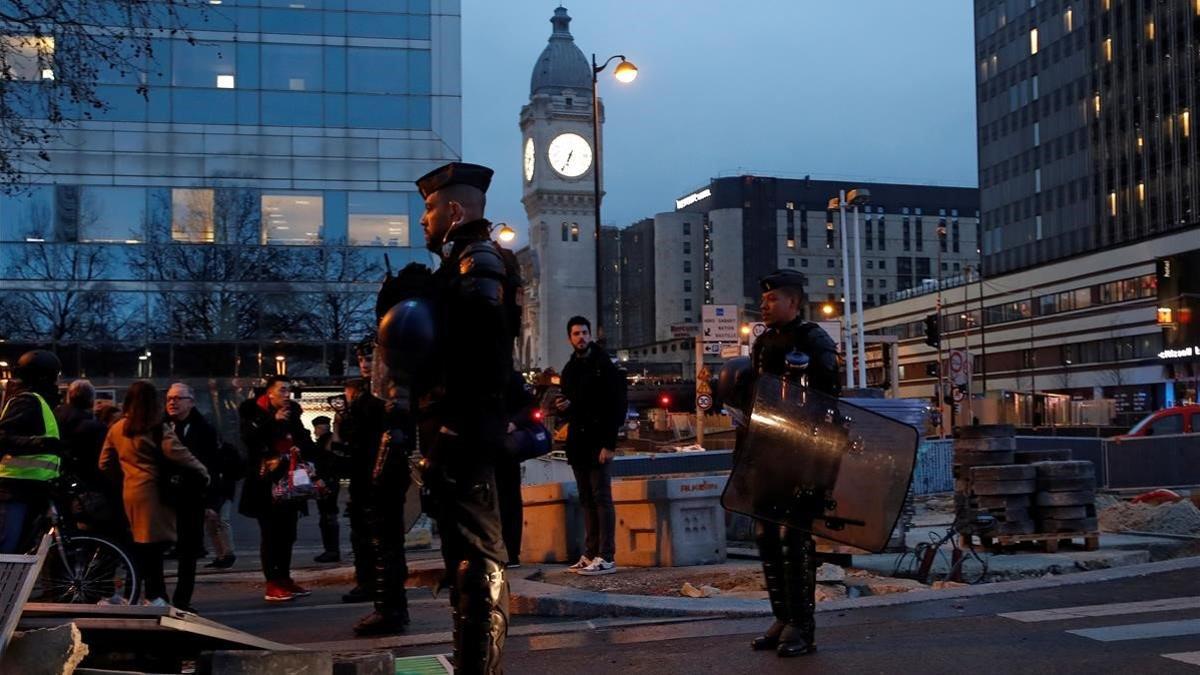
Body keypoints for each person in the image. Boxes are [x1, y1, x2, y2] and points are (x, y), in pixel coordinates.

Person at [377, 161, 517, 673]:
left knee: (477, 559)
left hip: (465, 430)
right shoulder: (457, 265)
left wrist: (455, 430)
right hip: (453, 427)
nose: (423, 220)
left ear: (454, 210)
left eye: (430, 208)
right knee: (463, 557)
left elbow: (484, 358)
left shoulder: (478, 263)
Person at [743, 269, 840, 658]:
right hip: (769, 453)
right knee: (766, 536)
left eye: (771, 299)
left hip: (804, 454)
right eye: (763, 300)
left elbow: (830, 401)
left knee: (794, 538)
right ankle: (782, 617)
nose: (764, 305)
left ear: (793, 302)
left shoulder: (815, 340)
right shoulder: (763, 344)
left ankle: (803, 626)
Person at [99, 381, 209, 606]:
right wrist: (203, 472)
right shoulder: (157, 428)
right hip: (154, 495)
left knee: (137, 548)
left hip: (129, 493)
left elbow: (104, 463)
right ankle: (155, 596)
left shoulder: (118, 428)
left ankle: (135, 595)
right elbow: (180, 454)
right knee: (153, 550)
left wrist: (123, 476)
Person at [556, 315, 627, 576]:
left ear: (590, 335)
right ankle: (590, 552)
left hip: (598, 442)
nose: (581, 337)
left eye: (584, 332)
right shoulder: (569, 368)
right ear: (570, 338)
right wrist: (561, 407)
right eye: (576, 334)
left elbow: (616, 406)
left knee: (602, 498)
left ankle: (606, 556)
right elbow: (572, 403)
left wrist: (609, 444)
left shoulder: (604, 364)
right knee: (586, 499)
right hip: (578, 443)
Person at [237, 376, 314, 602]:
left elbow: (303, 437)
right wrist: (273, 420)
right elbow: (249, 439)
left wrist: (305, 451)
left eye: (289, 390)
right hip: (265, 482)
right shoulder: (252, 412)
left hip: (290, 482)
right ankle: (272, 582)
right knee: (270, 533)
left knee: (288, 533)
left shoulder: (293, 414)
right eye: (282, 390)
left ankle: (285, 578)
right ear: (269, 393)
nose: (286, 394)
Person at [352, 382, 413, 637]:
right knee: (384, 546)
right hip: (377, 476)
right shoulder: (374, 398)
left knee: (385, 546)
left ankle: (389, 609)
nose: (366, 364)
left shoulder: (391, 398)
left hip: (384, 477)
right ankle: (391, 607)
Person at [163, 382, 222, 610]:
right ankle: (158, 597)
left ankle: (182, 600)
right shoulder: (160, 425)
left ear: (191, 402)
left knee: (188, 554)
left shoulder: (204, 429)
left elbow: (212, 466)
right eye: (169, 398)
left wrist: (212, 502)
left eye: (178, 398)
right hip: (165, 499)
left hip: (192, 498)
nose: (172, 402)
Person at [0, 350, 64, 553]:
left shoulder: (39, 401)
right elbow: (3, 437)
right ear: (45, 376)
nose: (57, 380)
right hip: (15, 489)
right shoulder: (27, 401)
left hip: (31, 487)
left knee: (18, 549)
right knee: (7, 548)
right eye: (55, 375)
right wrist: (40, 443)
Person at [336, 378, 388, 602]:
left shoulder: (365, 410)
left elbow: (349, 441)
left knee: (367, 533)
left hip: (369, 476)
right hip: (370, 475)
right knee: (369, 533)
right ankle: (374, 582)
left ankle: (371, 582)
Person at [496, 371, 536, 567]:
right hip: (488, 444)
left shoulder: (512, 378)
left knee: (508, 499)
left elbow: (529, 406)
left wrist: (514, 423)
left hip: (504, 447)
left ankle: (511, 552)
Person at [202, 439, 240, 570]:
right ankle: (224, 554)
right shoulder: (224, 450)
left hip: (219, 490)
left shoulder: (222, 452)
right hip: (220, 489)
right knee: (216, 523)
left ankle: (225, 554)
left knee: (218, 521)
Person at [310, 415, 342, 563]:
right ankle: (331, 550)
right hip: (327, 481)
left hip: (327, 482)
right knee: (327, 515)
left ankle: (332, 550)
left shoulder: (328, 441)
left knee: (327, 515)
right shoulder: (325, 441)